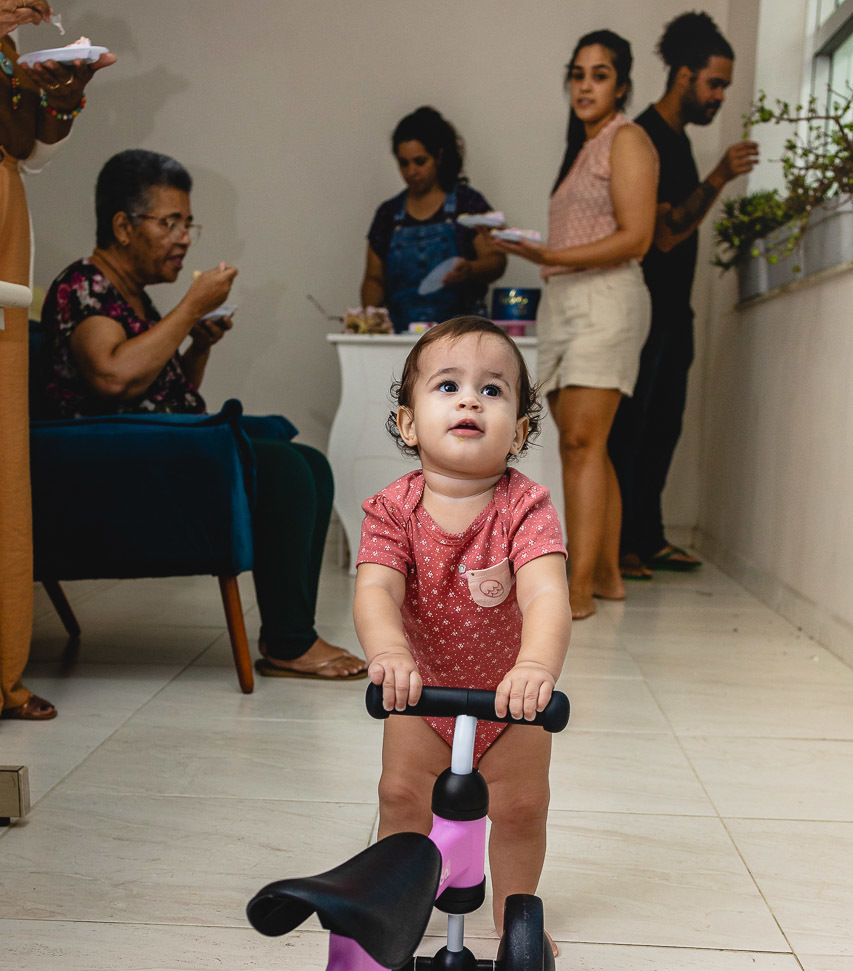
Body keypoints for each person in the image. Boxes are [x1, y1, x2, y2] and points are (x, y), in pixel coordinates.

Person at [39, 149, 366, 680]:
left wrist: (199, 344)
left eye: (187, 224)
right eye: (170, 222)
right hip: (103, 466)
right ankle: (290, 642)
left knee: (309, 463)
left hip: (149, 445)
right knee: (284, 471)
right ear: (122, 226)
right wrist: (190, 307)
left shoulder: (134, 298)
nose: (185, 238)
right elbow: (112, 377)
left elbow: (164, 393)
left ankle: (288, 634)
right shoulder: (85, 286)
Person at [354, 317, 571, 950]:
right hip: (420, 693)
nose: (470, 401)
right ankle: (398, 908)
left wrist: (535, 667)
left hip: (511, 699)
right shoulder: (392, 509)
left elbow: (546, 593)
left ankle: (513, 919)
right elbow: (376, 590)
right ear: (408, 423)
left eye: (492, 390)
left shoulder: (525, 508)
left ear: (520, 432)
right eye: (448, 386)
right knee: (401, 796)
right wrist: (389, 652)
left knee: (522, 808)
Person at [495, 31, 658, 620]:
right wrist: (544, 256)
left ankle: (577, 587)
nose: (585, 86)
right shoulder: (583, 148)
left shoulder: (627, 138)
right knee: (588, 444)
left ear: (622, 85)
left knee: (581, 443)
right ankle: (607, 574)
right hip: (565, 300)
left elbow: (636, 237)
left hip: (605, 300)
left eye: (600, 75)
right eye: (578, 74)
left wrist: (549, 256)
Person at [608, 11, 759, 578]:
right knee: (632, 427)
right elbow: (664, 234)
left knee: (663, 427)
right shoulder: (645, 137)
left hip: (674, 311)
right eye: (714, 83)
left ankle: (647, 538)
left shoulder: (677, 141)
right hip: (645, 309)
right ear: (684, 75)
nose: (719, 96)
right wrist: (719, 177)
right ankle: (619, 544)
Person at [0, 0, 114, 720]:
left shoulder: (10, 48)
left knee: (4, 461)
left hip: (7, 232)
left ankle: (2, 669)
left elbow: (28, 147)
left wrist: (67, 90)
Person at [360, 106, 507, 333]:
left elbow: (496, 261)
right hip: (400, 336)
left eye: (420, 162)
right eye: (404, 163)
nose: (411, 171)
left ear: (438, 156)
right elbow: (374, 278)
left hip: (462, 335)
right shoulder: (388, 214)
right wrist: (368, 319)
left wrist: (470, 269)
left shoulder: (467, 204)